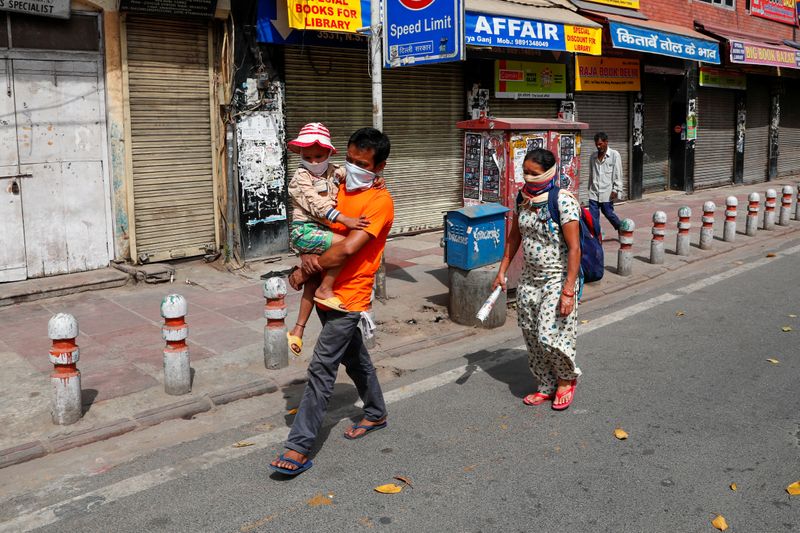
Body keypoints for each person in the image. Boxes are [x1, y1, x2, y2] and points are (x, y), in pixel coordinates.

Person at [269, 127, 393, 476]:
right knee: (355, 359)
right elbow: (314, 221)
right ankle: (376, 411)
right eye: (350, 160)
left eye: (362, 164)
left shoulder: (379, 201)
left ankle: (298, 446)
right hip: (327, 290)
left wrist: (302, 273)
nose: (352, 167)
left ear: (379, 167)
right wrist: (307, 263)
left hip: (348, 297)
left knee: (322, 367)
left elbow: (350, 247)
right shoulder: (338, 187)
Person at [493, 148, 582, 410]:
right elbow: (514, 237)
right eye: (525, 172)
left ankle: (566, 379)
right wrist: (503, 270)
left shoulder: (563, 201)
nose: (528, 178)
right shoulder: (522, 197)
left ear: (549, 172)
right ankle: (545, 383)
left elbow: (574, 248)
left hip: (556, 277)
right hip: (529, 278)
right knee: (530, 333)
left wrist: (568, 290)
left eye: (535, 173)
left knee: (549, 334)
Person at [285, 122, 371, 356]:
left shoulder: (334, 171)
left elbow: (355, 174)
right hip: (305, 231)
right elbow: (316, 203)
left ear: (329, 153)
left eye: (319, 156)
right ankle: (326, 288)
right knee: (344, 245)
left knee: (310, 278)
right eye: (308, 156)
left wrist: (375, 181)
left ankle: (297, 331)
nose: (313, 162)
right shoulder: (300, 178)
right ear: (300, 154)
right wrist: (346, 219)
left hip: (321, 231)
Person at [588, 132, 624, 233]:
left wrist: (616, 189)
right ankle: (596, 235)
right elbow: (591, 173)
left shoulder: (614, 155)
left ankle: (620, 227)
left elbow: (618, 173)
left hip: (607, 191)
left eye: (600, 144)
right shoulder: (593, 157)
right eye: (597, 144)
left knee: (608, 213)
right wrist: (589, 188)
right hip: (594, 192)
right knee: (593, 217)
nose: (598, 146)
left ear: (606, 142)